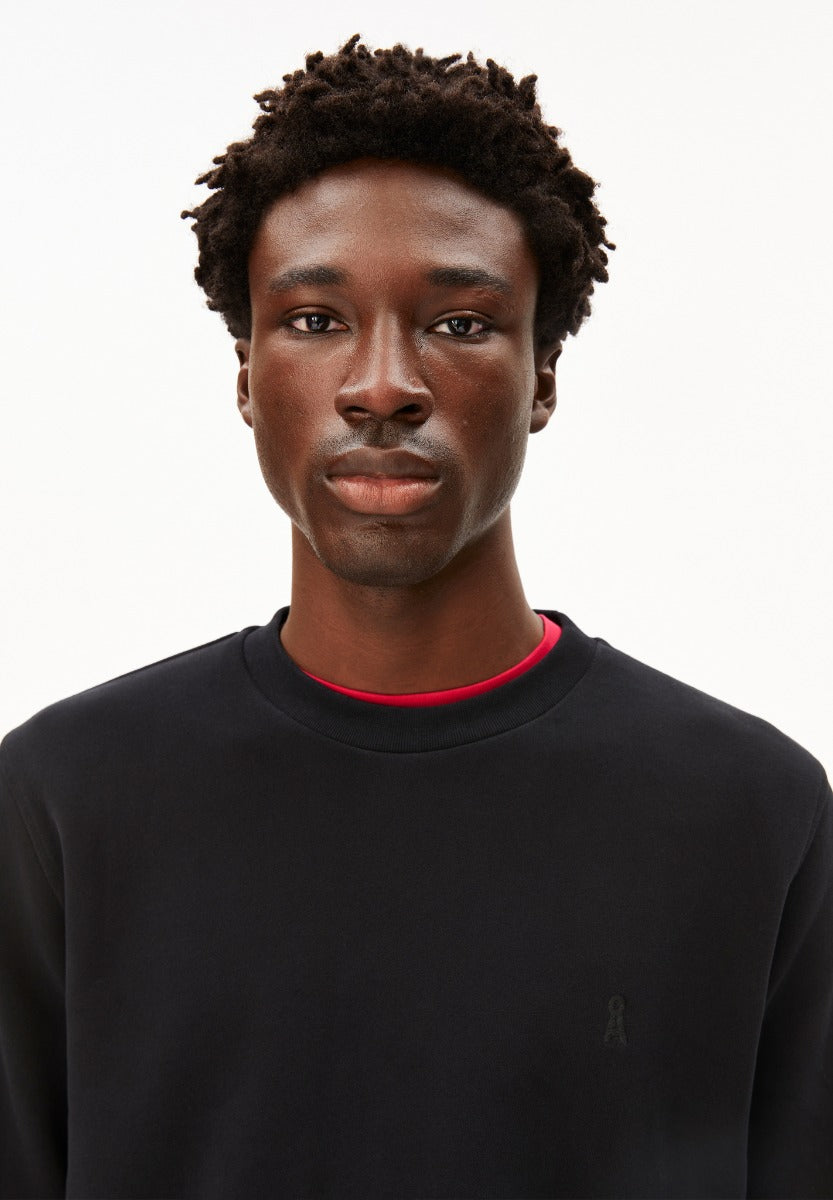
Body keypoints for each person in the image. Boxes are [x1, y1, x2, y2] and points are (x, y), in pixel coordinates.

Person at [1, 34, 830, 1200]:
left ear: (541, 379)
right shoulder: (64, 802)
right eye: (313, 319)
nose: (381, 385)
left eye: (458, 323)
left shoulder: (750, 812)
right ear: (245, 377)